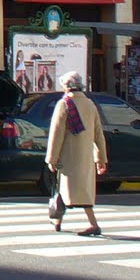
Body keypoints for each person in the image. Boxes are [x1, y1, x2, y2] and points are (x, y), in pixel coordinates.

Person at [45, 71, 108, 235]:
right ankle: (57, 222)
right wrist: (100, 158)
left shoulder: (64, 103)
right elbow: (98, 134)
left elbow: (56, 133)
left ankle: (92, 224)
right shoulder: (90, 104)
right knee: (77, 190)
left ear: (67, 86)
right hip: (86, 157)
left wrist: (52, 158)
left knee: (68, 190)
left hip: (68, 156)